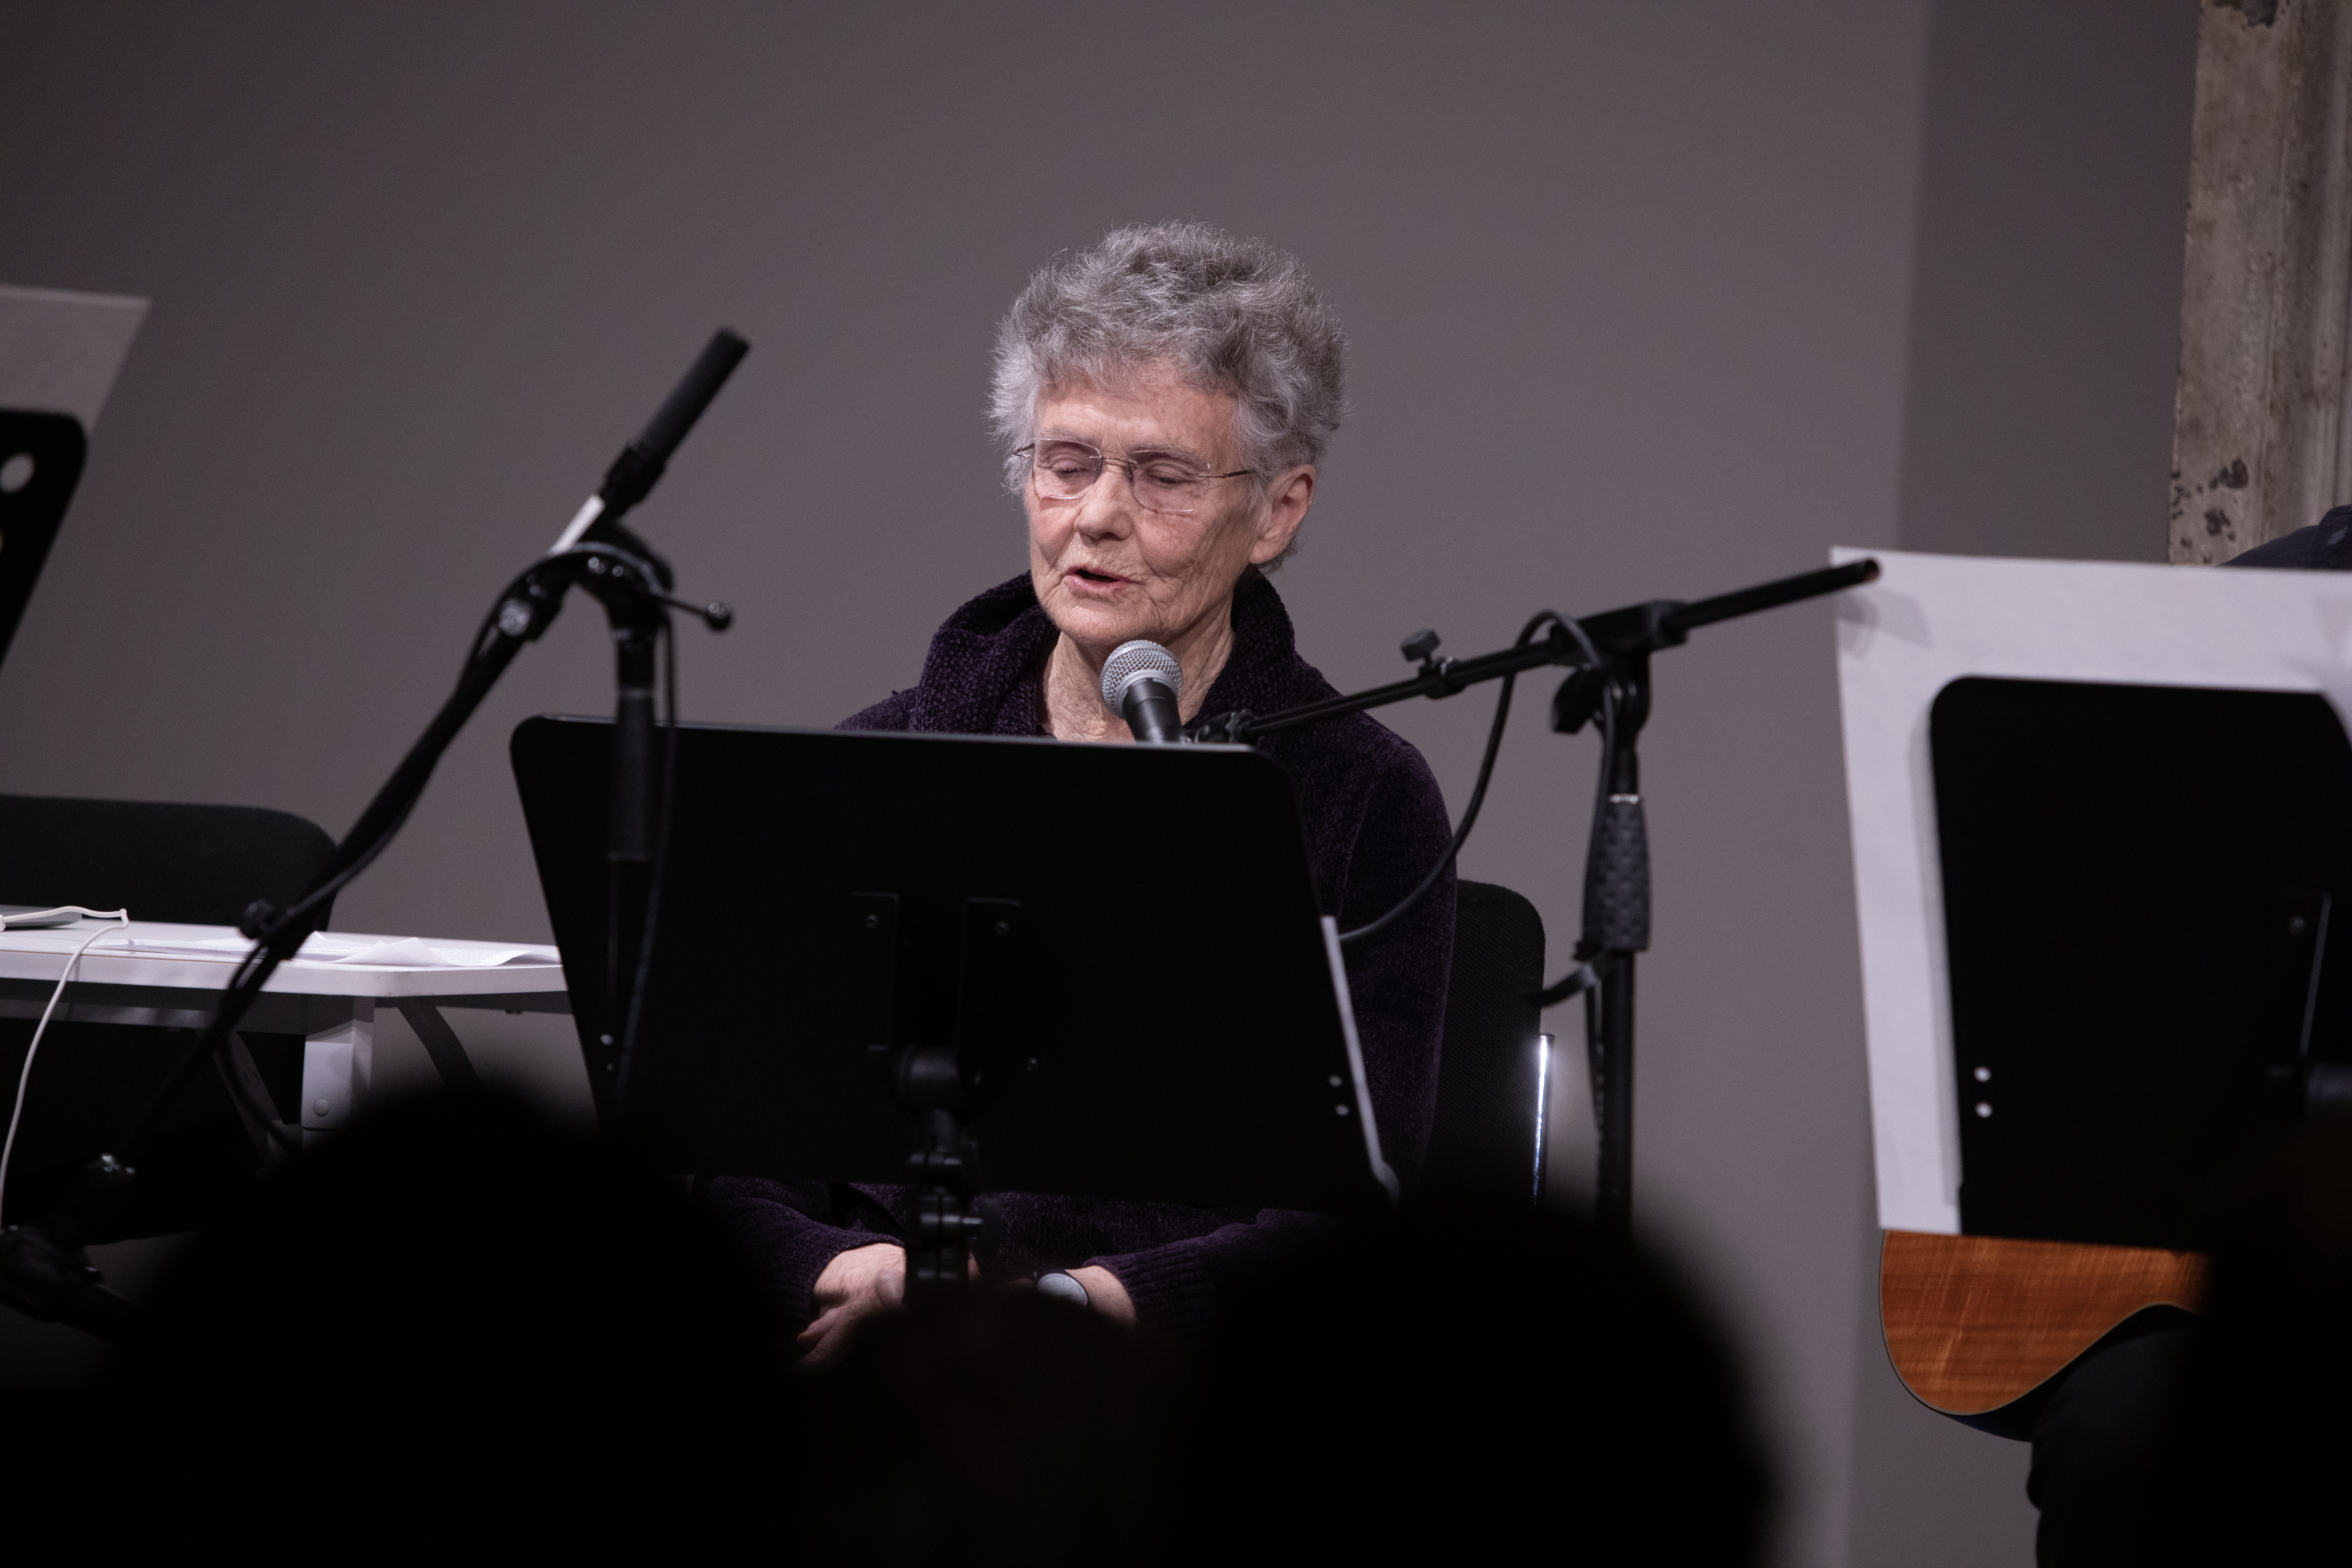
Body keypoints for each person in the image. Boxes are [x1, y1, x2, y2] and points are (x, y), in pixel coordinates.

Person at [701, 222, 1458, 1359]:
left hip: (1162, 1392)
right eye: (1067, 464)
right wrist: (836, 1269)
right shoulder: (883, 760)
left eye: (1162, 475)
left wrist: (1055, 1313)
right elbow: (722, 1161)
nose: (1098, 515)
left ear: (1279, 511)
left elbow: (1346, 1223)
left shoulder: (1361, 799)